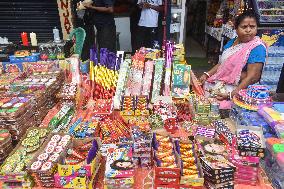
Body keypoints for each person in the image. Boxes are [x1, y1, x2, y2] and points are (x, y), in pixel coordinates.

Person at [199, 10, 267, 110]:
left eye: (252, 27)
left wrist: (231, 95)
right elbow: (222, 64)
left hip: (239, 91)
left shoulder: (257, 47)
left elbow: (252, 77)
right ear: (236, 29)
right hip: (222, 86)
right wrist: (207, 74)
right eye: (244, 27)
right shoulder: (232, 42)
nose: (248, 30)